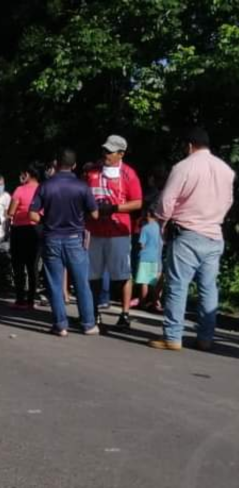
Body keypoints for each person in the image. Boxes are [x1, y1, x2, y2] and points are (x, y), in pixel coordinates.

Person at [150, 127, 236, 351]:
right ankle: (206, 337)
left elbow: (166, 201)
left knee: (178, 286)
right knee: (208, 288)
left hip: (187, 233)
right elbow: (228, 201)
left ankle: (172, 336)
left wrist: (162, 220)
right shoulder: (226, 170)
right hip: (214, 234)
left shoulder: (184, 167)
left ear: (189, 145)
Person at [29, 148, 100, 337]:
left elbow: (33, 214)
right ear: (75, 166)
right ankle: (88, 324)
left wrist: (47, 222)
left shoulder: (45, 186)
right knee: (81, 283)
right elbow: (94, 213)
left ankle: (60, 325)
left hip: (52, 237)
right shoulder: (82, 186)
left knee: (54, 282)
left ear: (56, 164)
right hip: (75, 238)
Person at [85, 135, 143, 329]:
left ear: (121, 154)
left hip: (119, 231)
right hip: (95, 230)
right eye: (104, 150)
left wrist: (114, 208)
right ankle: (93, 312)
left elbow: (137, 202)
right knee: (93, 274)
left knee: (122, 274)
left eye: (110, 151)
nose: (106, 154)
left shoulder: (129, 174)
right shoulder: (92, 171)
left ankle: (125, 314)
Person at [8, 165, 41, 309]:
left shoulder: (20, 190)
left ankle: (20, 299)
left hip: (20, 230)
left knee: (19, 265)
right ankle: (31, 300)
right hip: (37, 228)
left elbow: (11, 211)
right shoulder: (43, 189)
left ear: (26, 174)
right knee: (33, 266)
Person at [135, 209, 162, 308]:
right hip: (157, 257)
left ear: (148, 214)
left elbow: (142, 244)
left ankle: (142, 303)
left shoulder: (145, 228)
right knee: (156, 282)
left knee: (144, 281)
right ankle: (156, 303)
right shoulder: (161, 229)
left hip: (146, 256)